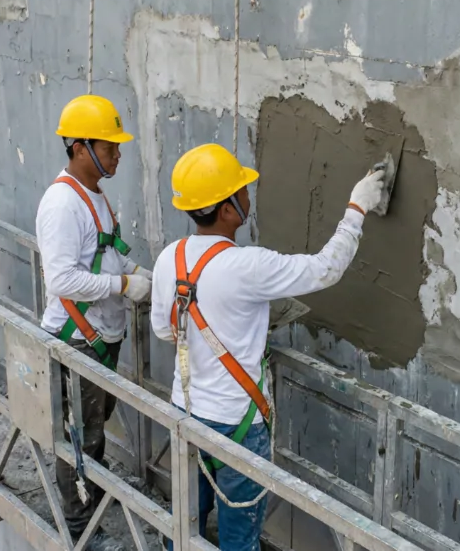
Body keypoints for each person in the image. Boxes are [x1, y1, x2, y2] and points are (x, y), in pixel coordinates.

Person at [151, 143, 386, 550]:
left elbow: (164, 329)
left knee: (183, 528)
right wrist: (357, 208)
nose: (248, 196)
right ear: (226, 209)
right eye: (241, 192)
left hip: (186, 414)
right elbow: (325, 269)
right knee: (238, 541)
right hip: (238, 427)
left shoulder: (169, 258)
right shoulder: (247, 265)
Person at [35, 94, 153, 540]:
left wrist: (140, 274)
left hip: (102, 334)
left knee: (94, 430)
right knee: (81, 440)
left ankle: (89, 505)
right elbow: (63, 280)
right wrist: (123, 287)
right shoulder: (63, 204)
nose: (118, 154)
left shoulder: (96, 196)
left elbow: (104, 256)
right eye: (110, 147)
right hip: (77, 338)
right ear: (80, 147)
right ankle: (81, 531)